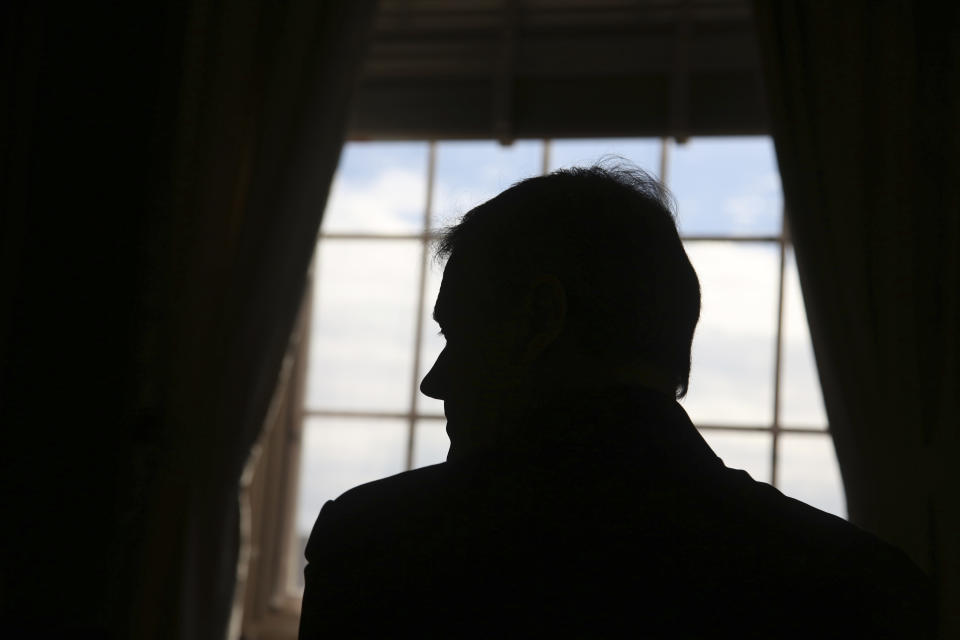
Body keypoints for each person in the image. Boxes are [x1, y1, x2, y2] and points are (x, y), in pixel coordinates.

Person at [298, 165, 933, 638]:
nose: (434, 381)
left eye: (456, 334)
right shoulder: (861, 587)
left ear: (543, 318)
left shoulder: (375, 548)